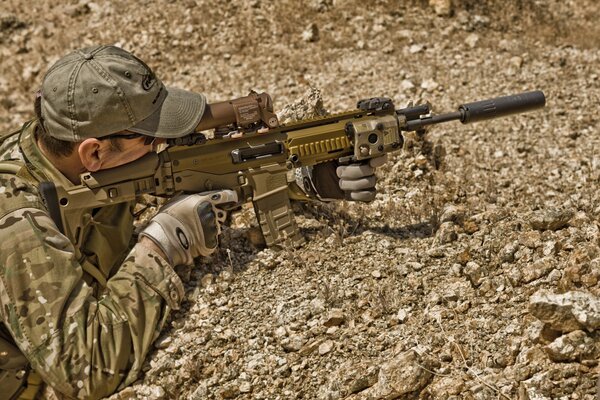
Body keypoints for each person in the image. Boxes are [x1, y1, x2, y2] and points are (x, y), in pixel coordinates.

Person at [0, 45, 384, 399]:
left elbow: (184, 176)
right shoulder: (19, 225)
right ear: (95, 151)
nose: (164, 145)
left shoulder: (61, 153)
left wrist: (304, 180)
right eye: (152, 140)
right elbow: (88, 369)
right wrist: (161, 244)